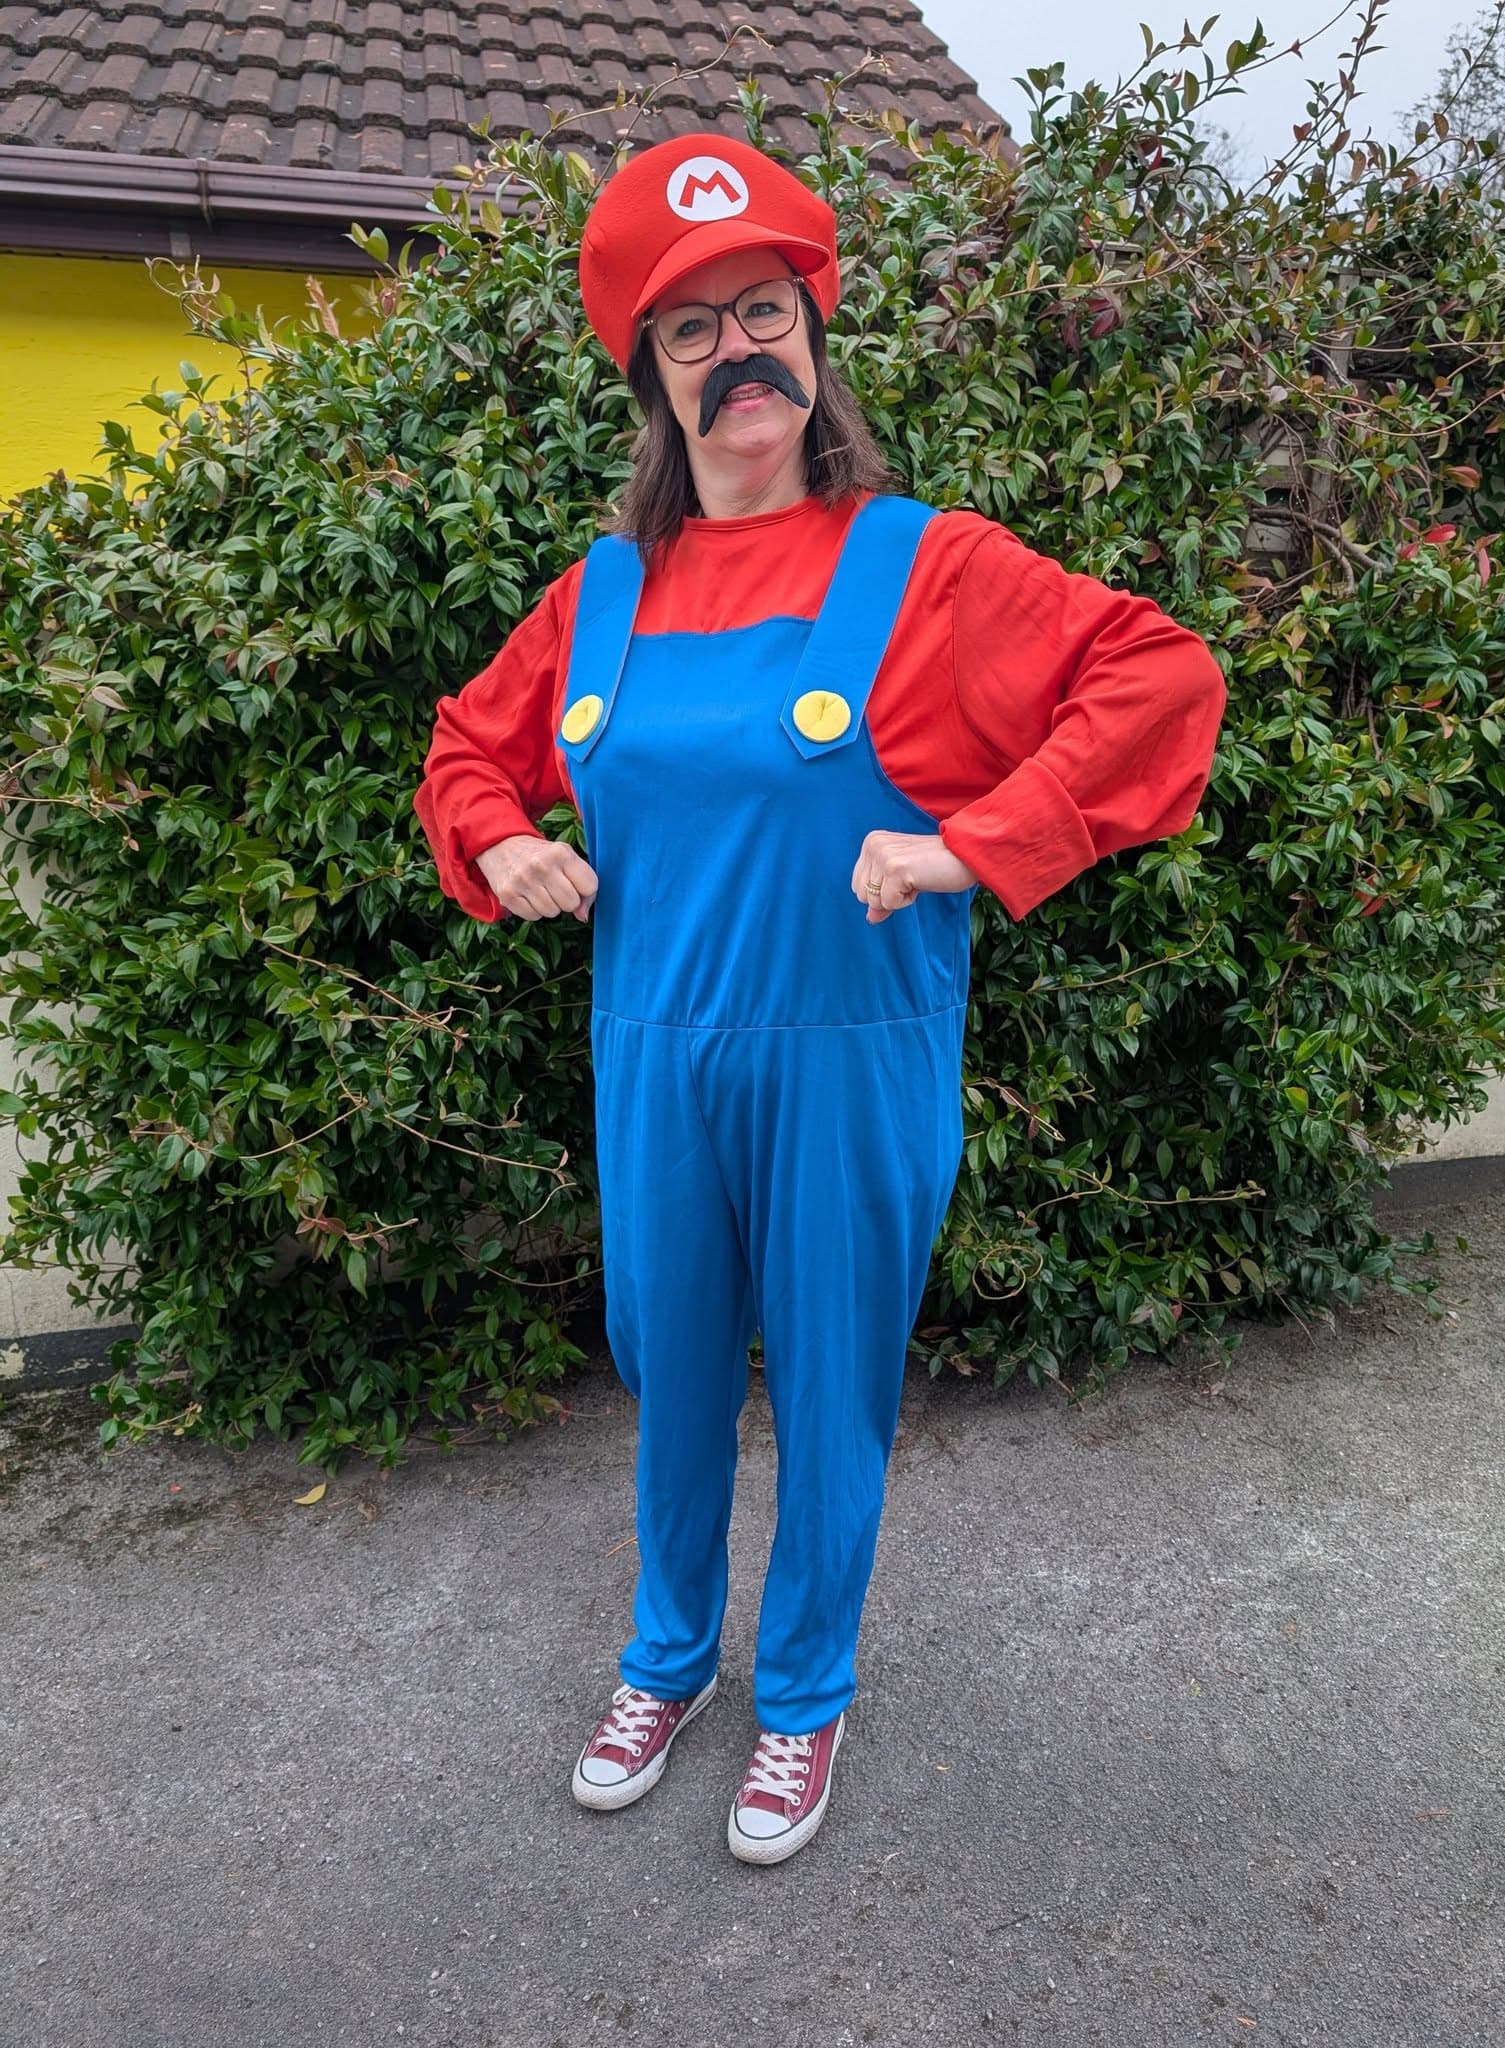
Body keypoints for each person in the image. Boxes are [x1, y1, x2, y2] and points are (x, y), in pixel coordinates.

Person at [413, 131, 1227, 1867]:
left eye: (762, 312)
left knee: (834, 1381)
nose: (737, 355)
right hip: (651, 1060)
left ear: (813, 336)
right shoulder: (602, 593)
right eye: (692, 332)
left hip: (851, 1057)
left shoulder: (922, 570)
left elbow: (1156, 674)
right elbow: (469, 749)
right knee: (674, 1366)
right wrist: (496, 845)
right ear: (651, 376)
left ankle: (802, 1699)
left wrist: (979, 840)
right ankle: (667, 1662)